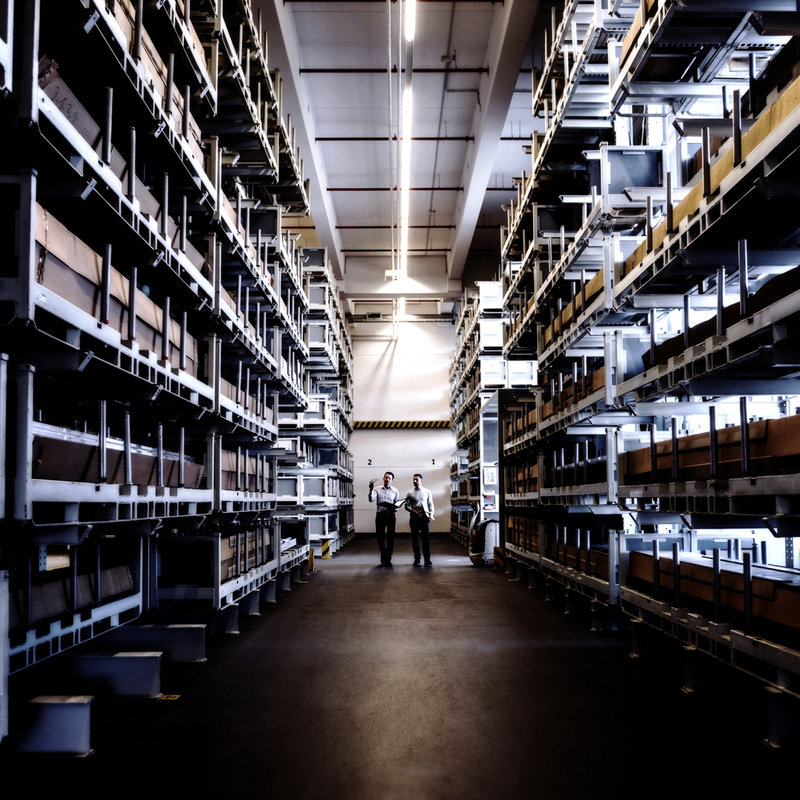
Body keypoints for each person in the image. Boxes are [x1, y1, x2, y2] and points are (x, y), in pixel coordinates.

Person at [368, 472, 400, 567]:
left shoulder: (395, 491)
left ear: (392, 480)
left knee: (391, 537)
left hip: (390, 515)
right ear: (383, 479)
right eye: (386, 478)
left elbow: (397, 504)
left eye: (389, 478)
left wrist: (395, 508)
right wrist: (371, 490)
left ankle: (388, 557)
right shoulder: (377, 489)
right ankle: (383, 552)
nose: (387, 479)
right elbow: (371, 500)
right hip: (380, 515)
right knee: (379, 536)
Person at [404, 473, 435, 567]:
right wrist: (412, 510)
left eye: (416, 480)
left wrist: (431, 513)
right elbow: (406, 505)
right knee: (415, 539)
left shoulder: (427, 491)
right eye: (413, 479)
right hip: (414, 519)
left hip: (424, 519)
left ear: (421, 480)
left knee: (426, 540)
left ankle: (427, 560)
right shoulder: (410, 493)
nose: (414, 481)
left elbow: (430, 504)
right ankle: (417, 559)